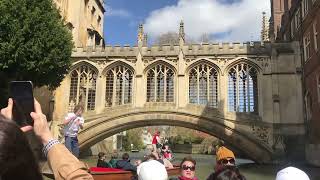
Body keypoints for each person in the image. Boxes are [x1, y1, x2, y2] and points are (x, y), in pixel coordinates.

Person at [0, 98, 93, 179]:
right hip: (68, 136)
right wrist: (46, 136)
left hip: (74, 136)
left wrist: (8, 136)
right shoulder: (71, 115)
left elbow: (81, 127)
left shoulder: (81, 118)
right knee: (69, 152)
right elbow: (79, 178)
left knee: (75, 154)